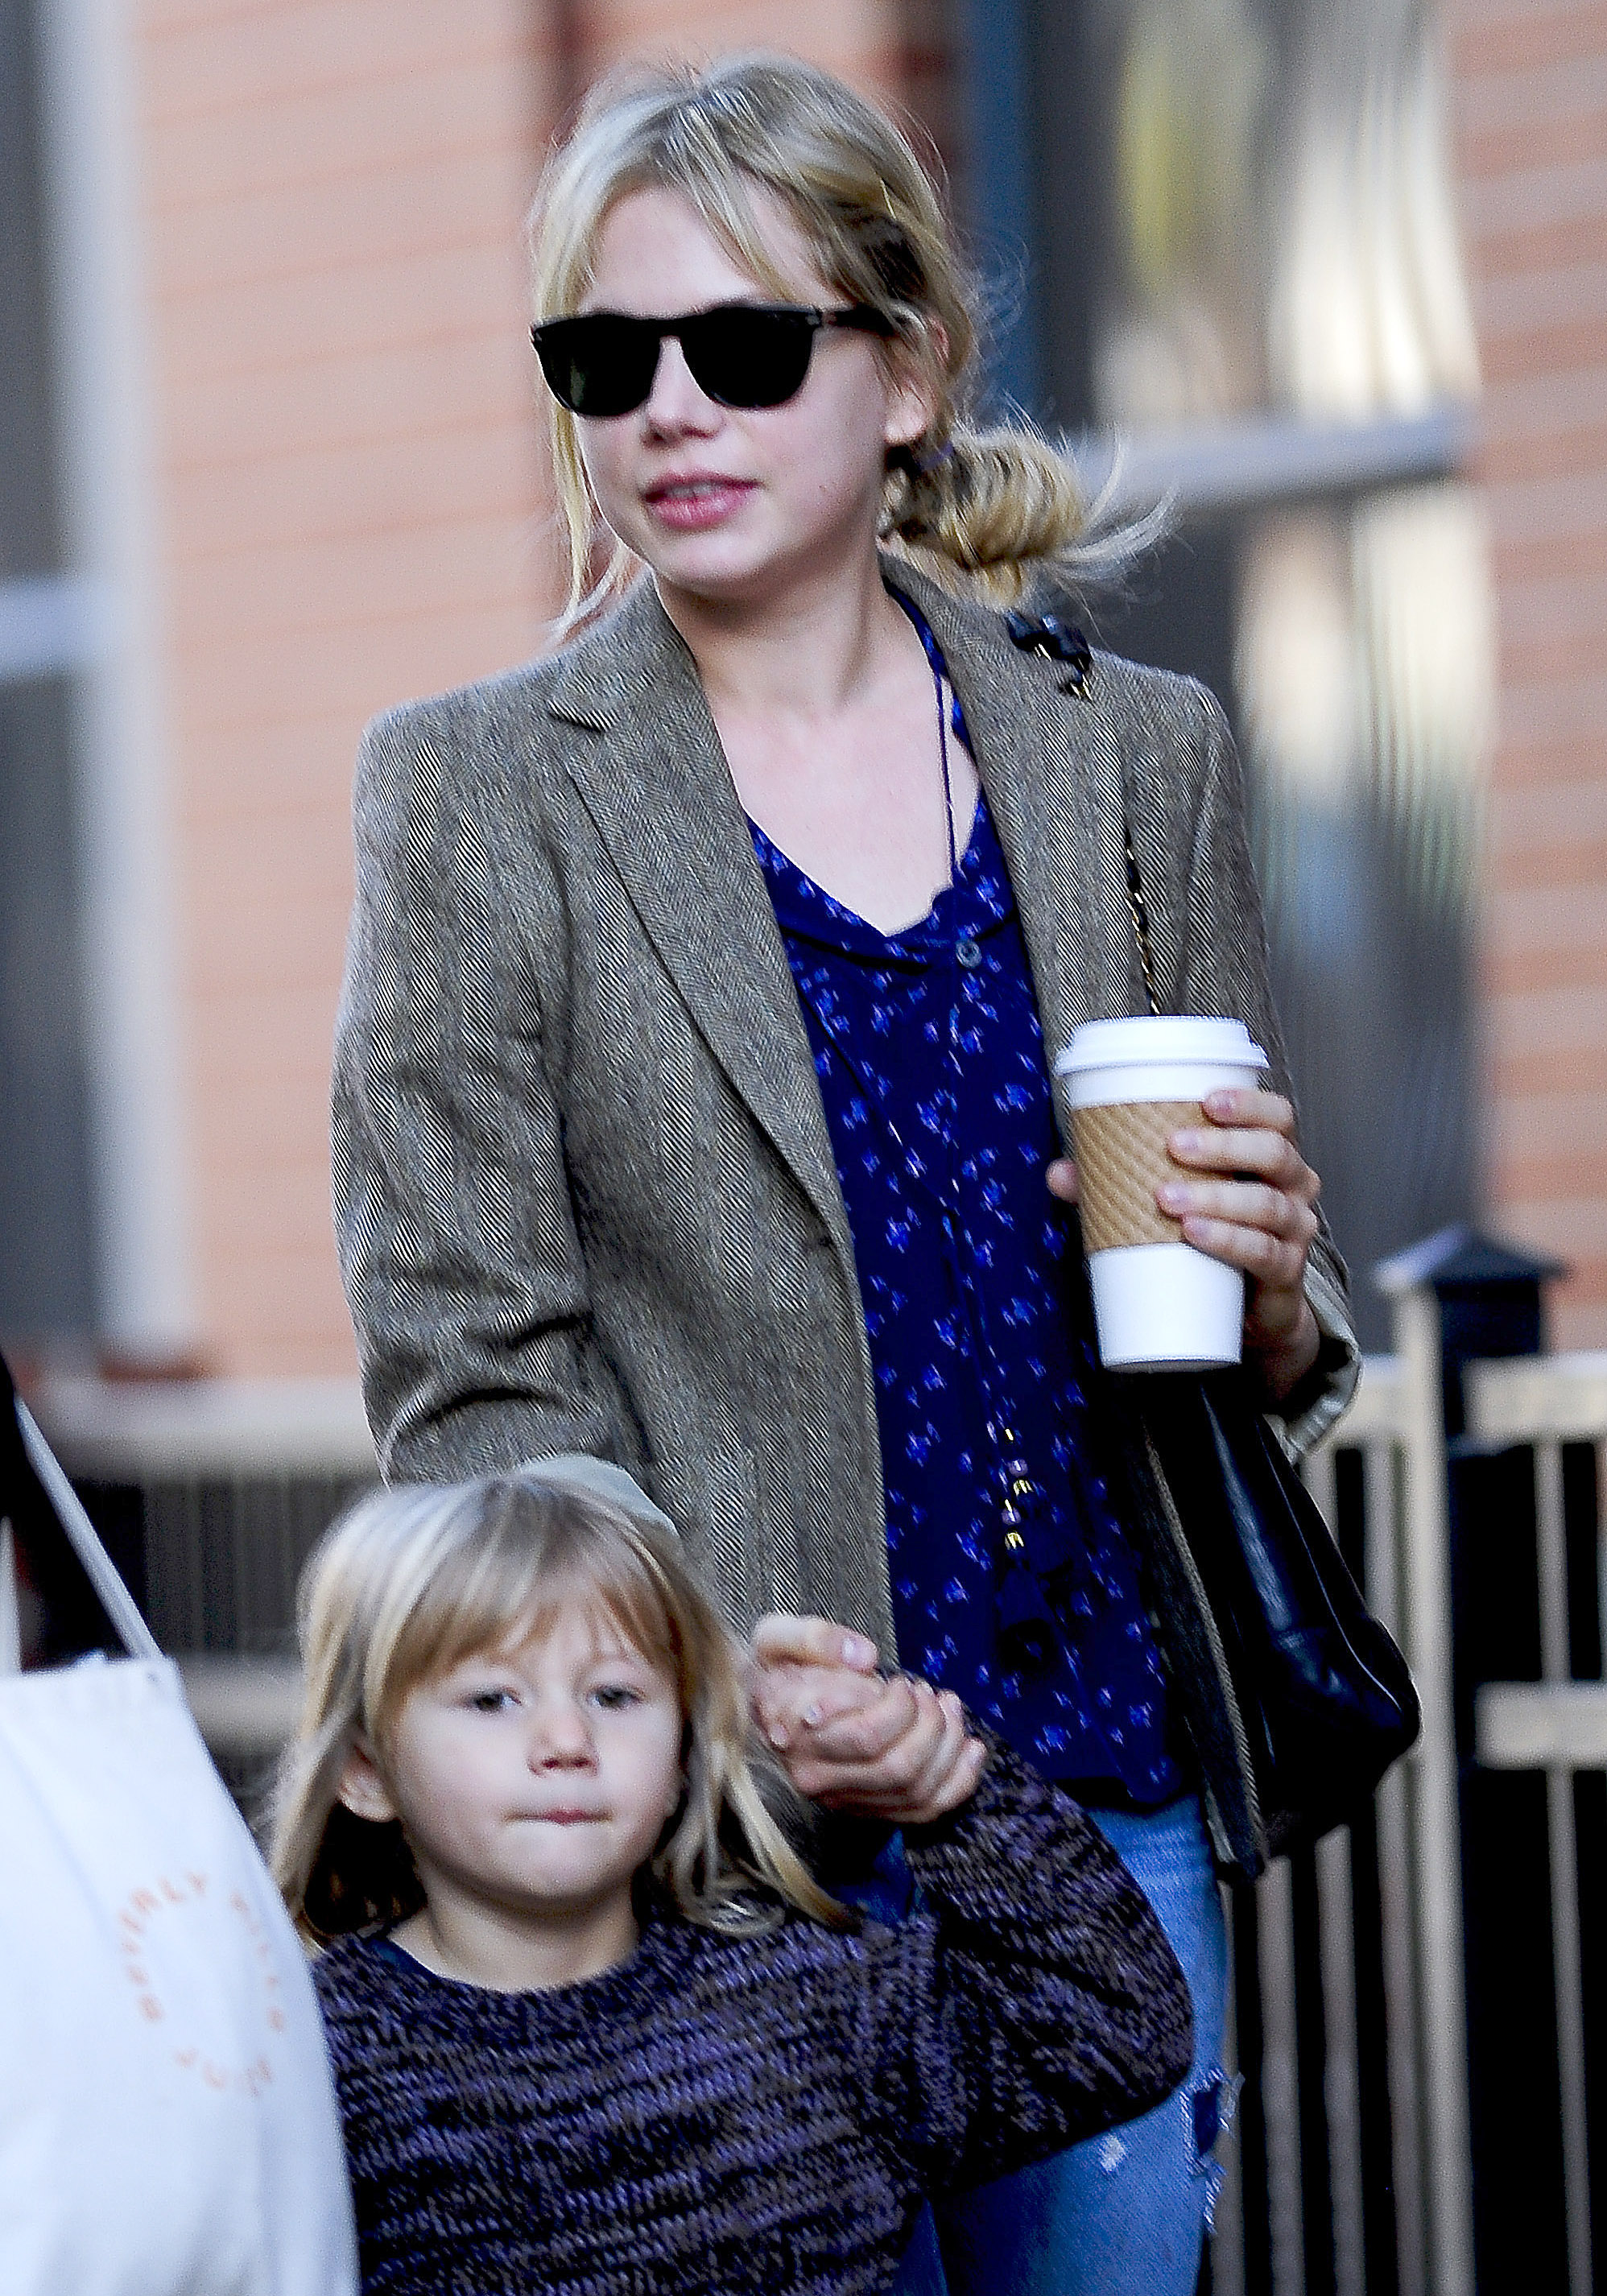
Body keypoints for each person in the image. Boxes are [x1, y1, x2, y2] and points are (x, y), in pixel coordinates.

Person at [330, 51, 1359, 2295]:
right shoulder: (479, 799)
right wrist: (691, 1697)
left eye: (743, 346)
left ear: (901, 375)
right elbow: (470, 1384)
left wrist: (1278, 1294)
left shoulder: (1126, 756)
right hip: (725, 1853)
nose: (669, 408)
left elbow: (1233, 1319)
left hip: (1096, 1803)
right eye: (609, 360)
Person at [272, 1462, 1194, 2296]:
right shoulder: (303, 2057)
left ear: (684, 1747)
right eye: (492, 1698)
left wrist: (946, 1786)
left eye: (614, 1695)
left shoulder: (817, 1998)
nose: (565, 1741)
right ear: (364, 1766)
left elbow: (1113, 2026)